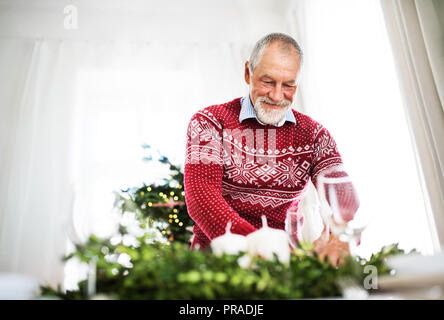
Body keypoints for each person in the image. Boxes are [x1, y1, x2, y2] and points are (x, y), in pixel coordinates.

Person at [184, 33, 359, 265]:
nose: (277, 96)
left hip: (284, 264)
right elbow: (202, 198)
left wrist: (337, 233)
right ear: (248, 72)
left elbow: (341, 191)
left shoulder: (315, 135)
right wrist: (262, 250)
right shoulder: (210, 121)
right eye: (268, 82)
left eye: (288, 85)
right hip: (217, 262)